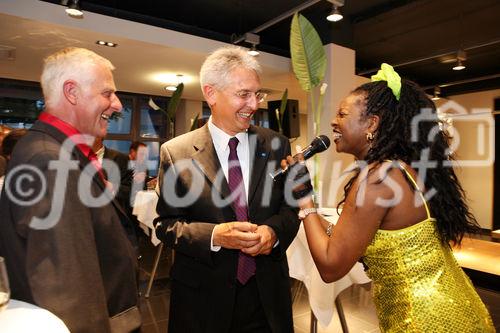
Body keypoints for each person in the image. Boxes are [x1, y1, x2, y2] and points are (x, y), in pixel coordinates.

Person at [284, 64, 495, 332]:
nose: (333, 122)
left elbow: (330, 266)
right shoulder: (400, 168)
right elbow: (361, 240)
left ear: (372, 123)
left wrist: (305, 201)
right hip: (456, 307)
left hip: (424, 320)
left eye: (342, 114)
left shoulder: (378, 178)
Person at [154, 46, 300, 333]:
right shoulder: (176, 152)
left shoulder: (276, 144)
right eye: (243, 94)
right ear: (211, 93)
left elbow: (291, 209)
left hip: (266, 298)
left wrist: (273, 232)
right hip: (202, 301)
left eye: (257, 94)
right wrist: (214, 235)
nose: (253, 104)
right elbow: (165, 225)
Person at [0, 47, 141, 332]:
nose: (116, 104)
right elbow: (68, 291)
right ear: (72, 92)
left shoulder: (57, 152)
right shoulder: (50, 160)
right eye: (107, 93)